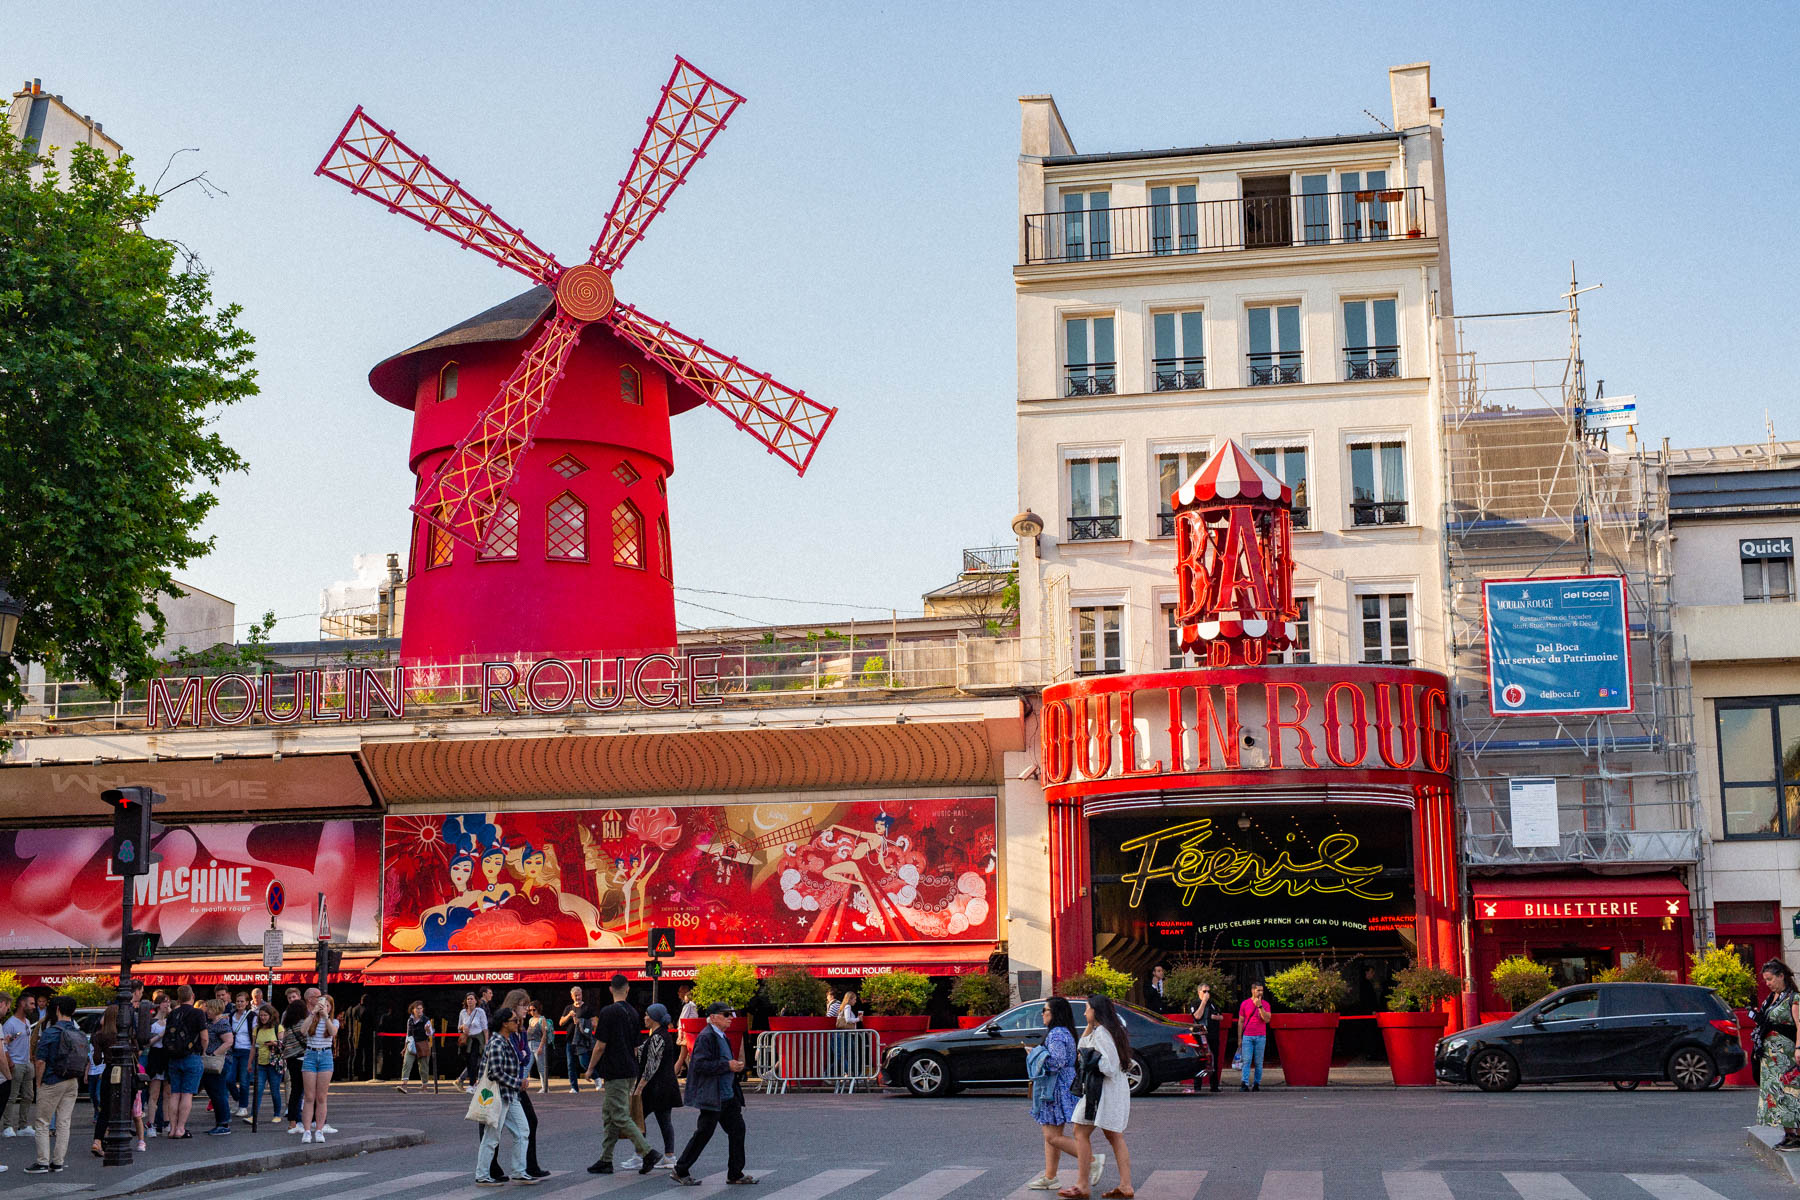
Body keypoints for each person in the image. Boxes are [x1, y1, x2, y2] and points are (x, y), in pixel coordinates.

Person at [1047, 996, 1132, 1200]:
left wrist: (1093, 1061)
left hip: (1102, 1091)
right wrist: (1089, 1027)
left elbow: (1109, 1066)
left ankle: (1083, 1184)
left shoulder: (1103, 1033)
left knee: (1080, 1131)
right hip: (1109, 1091)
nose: (1084, 1013)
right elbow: (1083, 1046)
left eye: (1087, 1010)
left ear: (1096, 1011)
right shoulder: (1108, 1030)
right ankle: (1125, 1185)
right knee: (1113, 1136)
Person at [670, 1002, 754, 1186]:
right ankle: (680, 1169)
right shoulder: (707, 1036)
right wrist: (727, 1065)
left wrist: (734, 1066)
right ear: (714, 1017)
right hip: (714, 1095)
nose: (730, 1018)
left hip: (727, 1094)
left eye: (730, 1014)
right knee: (704, 1133)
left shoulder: (720, 1035)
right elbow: (699, 1065)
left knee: (737, 1130)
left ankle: (735, 1173)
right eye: (726, 1015)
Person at [584, 974, 659, 1174]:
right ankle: (606, 1159)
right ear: (627, 989)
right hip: (630, 1069)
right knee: (610, 1115)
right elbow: (636, 1047)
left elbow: (600, 1045)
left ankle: (647, 1152)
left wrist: (590, 1068)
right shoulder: (634, 1013)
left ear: (610, 989)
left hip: (614, 1070)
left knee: (618, 1114)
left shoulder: (608, 1012)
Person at [485, 990, 549, 1182]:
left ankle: (526, 1165)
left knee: (527, 1122)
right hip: (504, 1084)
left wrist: (522, 1061)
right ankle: (491, 1168)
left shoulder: (520, 1029)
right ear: (513, 1007)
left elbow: (525, 1055)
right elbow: (511, 1057)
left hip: (516, 1084)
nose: (527, 1009)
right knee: (493, 1125)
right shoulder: (506, 1029)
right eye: (523, 1005)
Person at [474, 1007, 537, 1187]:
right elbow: (495, 1072)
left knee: (523, 1131)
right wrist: (518, 1082)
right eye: (514, 1021)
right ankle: (482, 1174)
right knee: (491, 1136)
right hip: (498, 1095)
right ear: (504, 1023)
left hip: (510, 1095)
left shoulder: (508, 1041)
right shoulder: (497, 1043)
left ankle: (519, 1171)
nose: (517, 1023)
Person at [24, 995, 83, 1174]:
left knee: (42, 1121)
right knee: (64, 1122)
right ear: (73, 1011)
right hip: (72, 1080)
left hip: (52, 1080)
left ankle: (42, 1162)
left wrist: (39, 1082)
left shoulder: (51, 1032)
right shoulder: (78, 1031)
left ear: (57, 1009)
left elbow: (40, 1060)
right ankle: (58, 1162)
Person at [1027, 996, 1080, 1191]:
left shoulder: (1056, 1034)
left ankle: (1090, 1158)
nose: (1043, 1014)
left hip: (1055, 1089)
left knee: (1051, 1136)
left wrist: (1033, 1055)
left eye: (1045, 1010)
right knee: (1052, 1135)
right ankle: (1050, 1176)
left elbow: (1056, 1062)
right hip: (1064, 1086)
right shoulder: (1065, 1031)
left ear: (1055, 1013)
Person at [1758, 959, 1800, 1150]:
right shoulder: (1772, 998)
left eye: (1770, 979)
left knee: (1790, 1092)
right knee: (1777, 1095)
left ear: (1781, 976)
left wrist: (1799, 1048)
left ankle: (1798, 1135)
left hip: (1786, 1054)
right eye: (1765, 980)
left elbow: (1799, 1025)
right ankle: (1788, 1134)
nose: (1767, 983)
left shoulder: (1794, 998)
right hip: (1771, 1058)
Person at [636, 1004, 681, 1169]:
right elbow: (641, 1052)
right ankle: (668, 1155)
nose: (644, 1017)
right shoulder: (659, 1035)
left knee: (638, 1119)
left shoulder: (657, 1037)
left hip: (657, 1087)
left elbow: (651, 1065)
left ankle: (641, 1153)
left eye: (647, 1015)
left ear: (654, 1017)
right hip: (664, 1086)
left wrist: (640, 1086)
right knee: (663, 1121)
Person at [162, 985, 208, 1140]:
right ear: (192, 996)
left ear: (178, 998)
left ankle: (172, 1128)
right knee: (187, 1093)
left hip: (174, 1057)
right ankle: (181, 1128)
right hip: (191, 1056)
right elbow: (204, 1037)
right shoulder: (198, 1013)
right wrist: (203, 1050)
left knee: (175, 1093)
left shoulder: (173, 1014)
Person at [300, 993, 338, 1143]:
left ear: (331, 1008)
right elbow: (302, 1030)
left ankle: (320, 1130)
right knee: (309, 1097)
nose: (324, 1007)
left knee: (321, 1097)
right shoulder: (311, 1019)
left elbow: (333, 1032)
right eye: (322, 1004)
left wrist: (325, 1016)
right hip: (310, 1054)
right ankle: (307, 1130)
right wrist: (313, 1012)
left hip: (325, 1056)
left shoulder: (333, 1021)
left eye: (327, 1005)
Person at [199, 998, 235, 1136]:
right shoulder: (210, 1022)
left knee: (218, 1092)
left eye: (208, 1008)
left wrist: (214, 1054)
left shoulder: (222, 1023)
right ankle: (221, 1121)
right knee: (214, 1092)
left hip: (219, 1062)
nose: (206, 1010)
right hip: (212, 1061)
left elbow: (228, 1041)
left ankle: (223, 1123)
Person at [3, 992, 34, 1136]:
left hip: (27, 1063)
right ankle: (7, 1126)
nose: (33, 1007)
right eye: (31, 1003)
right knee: (12, 1096)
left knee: (28, 1095)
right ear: (22, 1004)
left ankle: (23, 1126)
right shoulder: (10, 1024)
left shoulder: (27, 1022)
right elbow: (4, 1046)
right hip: (16, 1063)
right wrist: (10, 1063)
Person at [249, 1005, 285, 1125]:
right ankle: (253, 1115)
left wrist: (274, 1043)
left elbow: (283, 1045)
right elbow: (253, 1047)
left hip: (273, 1063)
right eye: (261, 1015)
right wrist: (249, 1063)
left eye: (265, 1015)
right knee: (258, 1090)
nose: (263, 1017)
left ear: (271, 1016)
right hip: (260, 1063)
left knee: (274, 1090)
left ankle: (277, 1114)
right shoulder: (257, 1029)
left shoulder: (278, 1028)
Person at [144, 997, 171, 1138]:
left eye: (169, 1002)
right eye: (165, 1002)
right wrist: (161, 1035)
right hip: (156, 1056)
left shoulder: (170, 1020)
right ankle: (151, 1123)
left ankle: (166, 1122)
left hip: (167, 1056)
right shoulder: (152, 1022)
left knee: (168, 1093)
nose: (167, 1004)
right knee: (154, 1093)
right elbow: (147, 1042)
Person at [1237, 981, 1271, 1093]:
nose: (1260, 992)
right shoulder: (1245, 1003)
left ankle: (1256, 1083)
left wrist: (1260, 1006)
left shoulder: (1266, 1004)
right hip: (1247, 1036)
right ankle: (1244, 1083)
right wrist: (1239, 1038)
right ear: (1253, 990)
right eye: (1258, 990)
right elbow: (1241, 1021)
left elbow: (1267, 1019)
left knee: (1258, 1062)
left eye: (1262, 990)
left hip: (1261, 1036)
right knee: (1246, 1061)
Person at [281, 995, 309, 1132]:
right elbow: (308, 1041)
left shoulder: (287, 1026)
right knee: (305, 1092)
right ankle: (303, 1120)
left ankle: (292, 1121)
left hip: (290, 1060)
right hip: (302, 1058)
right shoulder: (302, 1024)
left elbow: (284, 1043)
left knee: (295, 1091)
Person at [1189, 983, 1222, 1094]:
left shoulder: (1213, 1004)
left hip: (1213, 1035)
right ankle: (1197, 1086)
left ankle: (1214, 1086)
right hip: (1200, 1036)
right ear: (1199, 992)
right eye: (1204, 991)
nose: (1207, 994)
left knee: (1214, 1060)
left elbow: (1221, 1016)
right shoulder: (1195, 1003)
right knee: (1200, 1059)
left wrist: (1215, 1017)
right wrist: (1203, 1002)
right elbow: (1197, 1016)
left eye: (1208, 991)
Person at [397, 1001, 436, 1094]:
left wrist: (427, 1030)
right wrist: (405, 1047)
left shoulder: (425, 1020)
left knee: (423, 1066)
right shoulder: (409, 1020)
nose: (419, 1010)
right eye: (417, 1008)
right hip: (411, 1044)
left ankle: (424, 1087)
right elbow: (408, 1034)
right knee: (407, 1063)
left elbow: (430, 1033)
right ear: (413, 1010)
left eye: (421, 1008)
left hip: (422, 1044)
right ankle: (404, 1085)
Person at [560, 986, 593, 1093]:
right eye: (575, 996)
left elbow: (594, 1022)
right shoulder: (568, 1008)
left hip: (581, 1040)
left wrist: (581, 1021)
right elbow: (561, 1023)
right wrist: (569, 1016)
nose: (578, 997)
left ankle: (596, 1077)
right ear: (572, 996)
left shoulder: (587, 1008)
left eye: (579, 995)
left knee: (583, 1062)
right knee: (570, 1064)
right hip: (570, 1039)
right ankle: (574, 1087)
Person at [226, 991, 253, 1118]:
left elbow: (254, 1033)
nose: (240, 1004)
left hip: (247, 1050)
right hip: (233, 1050)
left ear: (247, 1003)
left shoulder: (252, 1016)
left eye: (242, 1001)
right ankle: (238, 1099)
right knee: (229, 1079)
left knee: (244, 1080)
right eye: (238, 1001)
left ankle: (243, 1106)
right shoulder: (231, 1015)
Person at [458, 993, 490, 1092]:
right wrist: (463, 1027)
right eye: (468, 999)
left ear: (476, 1001)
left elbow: (485, 1028)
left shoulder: (480, 1011)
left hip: (477, 1039)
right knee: (468, 1062)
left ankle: (472, 1084)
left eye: (472, 999)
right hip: (466, 1039)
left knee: (474, 1061)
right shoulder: (462, 1012)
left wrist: (486, 1042)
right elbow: (459, 1027)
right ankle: (472, 1083)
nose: (470, 1001)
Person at [525, 1003, 551, 1095]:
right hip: (529, 1044)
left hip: (538, 1044)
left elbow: (544, 1034)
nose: (532, 1012)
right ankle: (521, 1085)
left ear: (538, 1009)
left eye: (533, 1010)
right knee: (527, 1065)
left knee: (541, 1068)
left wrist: (541, 1046)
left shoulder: (542, 1019)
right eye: (530, 1010)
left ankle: (545, 1087)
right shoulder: (531, 1019)